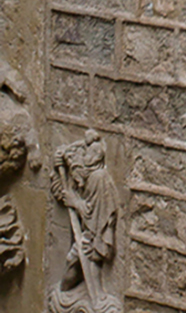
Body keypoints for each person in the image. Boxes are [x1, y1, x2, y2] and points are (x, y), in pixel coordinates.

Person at [49, 133, 120, 313]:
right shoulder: (88, 173)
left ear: (94, 158)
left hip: (94, 235)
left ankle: (97, 299)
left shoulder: (98, 178)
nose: (77, 182)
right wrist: (60, 159)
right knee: (79, 268)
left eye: (88, 154)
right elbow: (65, 193)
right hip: (89, 234)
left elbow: (93, 211)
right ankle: (91, 299)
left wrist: (75, 202)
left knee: (84, 264)